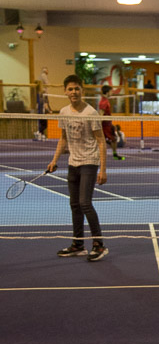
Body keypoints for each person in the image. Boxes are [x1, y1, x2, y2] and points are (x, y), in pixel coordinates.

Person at [46, 73, 108, 261]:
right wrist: (54, 160)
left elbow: (101, 141)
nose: (74, 92)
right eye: (70, 89)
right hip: (72, 163)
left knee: (85, 203)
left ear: (82, 90)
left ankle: (99, 245)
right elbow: (63, 138)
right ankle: (78, 244)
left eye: (77, 88)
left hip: (89, 162)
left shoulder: (91, 113)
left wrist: (103, 169)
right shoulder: (64, 112)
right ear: (65, 92)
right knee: (74, 205)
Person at [98, 84, 125, 160]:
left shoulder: (105, 100)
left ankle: (114, 154)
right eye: (111, 91)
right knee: (112, 140)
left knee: (113, 140)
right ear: (107, 92)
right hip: (105, 125)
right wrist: (99, 126)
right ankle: (114, 155)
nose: (112, 92)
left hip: (108, 124)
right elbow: (101, 114)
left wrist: (111, 124)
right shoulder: (103, 102)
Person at [34, 66, 51, 140]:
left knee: (42, 118)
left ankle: (41, 132)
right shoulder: (43, 76)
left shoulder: (40, 76)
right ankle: (40, 132)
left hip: (42, 98)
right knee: (42, 117)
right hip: (43, 97)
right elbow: (48, 84)